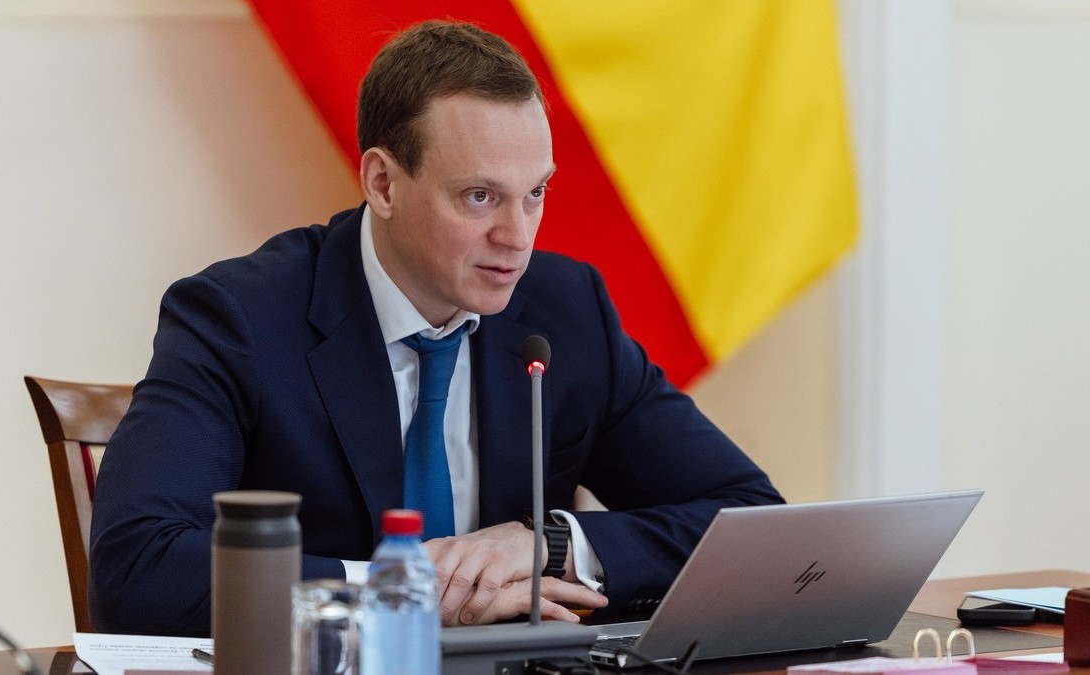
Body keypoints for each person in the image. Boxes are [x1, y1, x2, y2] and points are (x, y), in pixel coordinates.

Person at [89, 19, 783, 637]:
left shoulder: (568, 311)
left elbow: (752, 520)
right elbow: (136, 566)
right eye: (480, 197)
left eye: (535, 193)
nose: (517, 237)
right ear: (383, 183)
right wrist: (407, 592)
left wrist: (546, 545)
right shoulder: (240, 317)